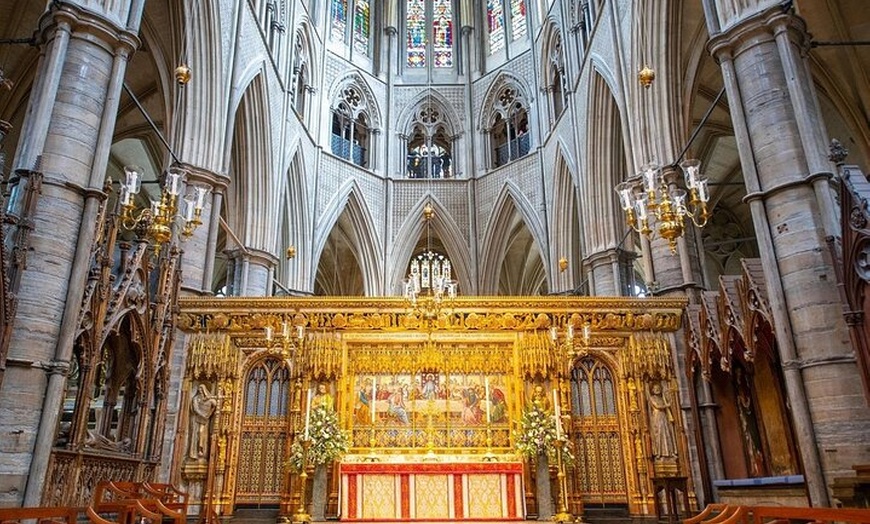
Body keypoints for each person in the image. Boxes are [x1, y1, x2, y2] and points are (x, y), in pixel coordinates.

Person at [647, 383, 677, 459]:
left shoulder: (662, 398)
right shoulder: (652, 398)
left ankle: (670, 452)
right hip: (657, 416)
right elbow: (657, 406)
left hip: (663, 416)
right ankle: (659, 452)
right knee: (659, 433)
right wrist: (666, 405)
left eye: (658, 388)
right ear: (652, 390)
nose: (657, 390)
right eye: (655, 388)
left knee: (666, 432)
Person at [189, 384, 217, 460]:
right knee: (198, 433)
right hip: (197, 419)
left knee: (202, 433)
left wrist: (211, 400)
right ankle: (195, 452)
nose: (200, 391)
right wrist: (202, 415)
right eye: (199, 390)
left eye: (202, 390)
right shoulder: (196, 398)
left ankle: (202, 450)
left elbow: (214, 404)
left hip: (205, 420)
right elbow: (195, 409)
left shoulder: (208, 399)